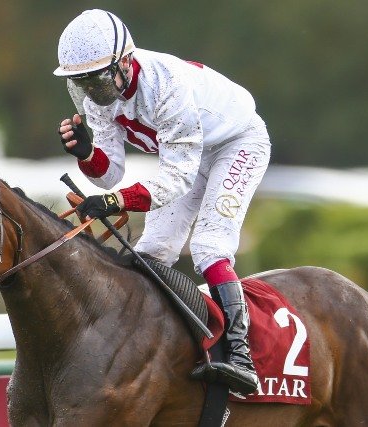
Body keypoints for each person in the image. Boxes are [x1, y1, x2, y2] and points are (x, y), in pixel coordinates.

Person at [55, 9, 270, 396]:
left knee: (209, 246)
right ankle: (147, 348)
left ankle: (241, 358)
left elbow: (177, 178)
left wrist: (116, 202)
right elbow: (109, 174)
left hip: (236, 144)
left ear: (125, 62)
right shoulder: (102, 97)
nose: (92, 93)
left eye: (96, 79)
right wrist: (87, 154)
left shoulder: (166, 85)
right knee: (151, 251)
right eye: (81, 82)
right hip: (189, 156)